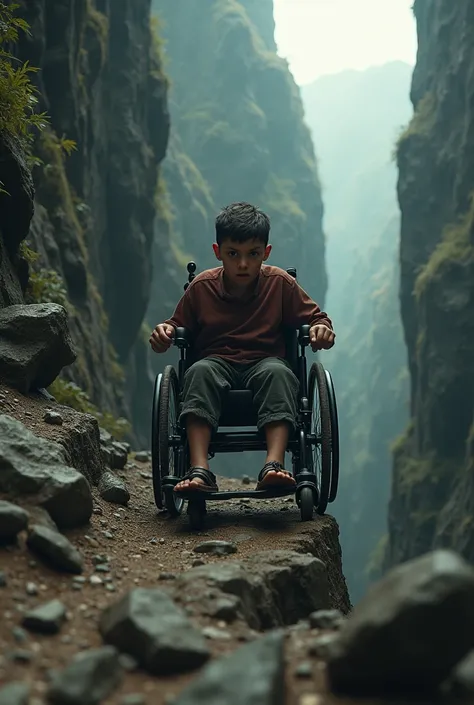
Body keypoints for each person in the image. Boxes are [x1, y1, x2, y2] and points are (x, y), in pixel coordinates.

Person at [149, 202, 335, 495]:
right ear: (217, 251)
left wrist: (320, 329)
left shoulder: (281, 284)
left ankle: (273, 465)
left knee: (279, 373)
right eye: (233, 254)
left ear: (266, 252)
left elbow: (316, 318)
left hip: (265, 362)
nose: (243, 264)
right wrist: (165, 333)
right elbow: (175, 326)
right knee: (197, 372)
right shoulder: (201, 288)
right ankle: (200, 471)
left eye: (253, 254)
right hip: (215, 361)